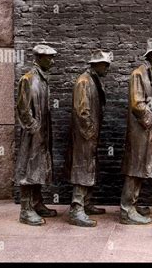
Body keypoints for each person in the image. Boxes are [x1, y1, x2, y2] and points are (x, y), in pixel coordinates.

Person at [120, 38, 152, 225]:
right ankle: (126, 210)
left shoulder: (148, 73)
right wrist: (151, 120)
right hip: (139, 133)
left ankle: (133, 203)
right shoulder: (138, 74)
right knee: (134, 169)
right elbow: (137, 103)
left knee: (140, 169)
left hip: (145, 133)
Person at [65, 50, 113, 227]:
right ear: (95, 65)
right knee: (82, 169)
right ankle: (76, 209)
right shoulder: (84, 81)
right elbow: (82, 111)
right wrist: (90, 131)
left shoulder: (93, 80)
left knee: (89, 167)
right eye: (105, 64)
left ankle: (87, 202)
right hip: (84, 136)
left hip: (89, 136)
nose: (107, 68)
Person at [15, 44, 58, 226]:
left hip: (42, 133)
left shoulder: (42, 79)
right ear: (39, 58)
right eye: (49, 58)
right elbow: (23, 108)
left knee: (39, 167)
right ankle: (25, 210)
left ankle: (37, 202)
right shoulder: (28, 79)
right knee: (28, 168)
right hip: (33, 134)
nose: (53, 61)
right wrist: (33, 128)